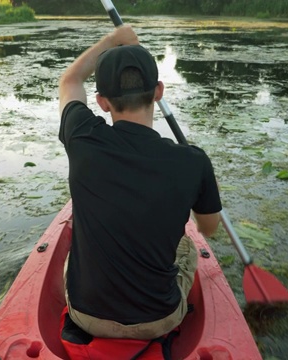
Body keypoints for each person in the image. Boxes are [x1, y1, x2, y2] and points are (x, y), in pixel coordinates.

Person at [58, 25, 222, 340]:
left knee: (71, 253)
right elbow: (209, 227)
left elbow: (70, 80)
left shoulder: (82, 137)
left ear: (102, 102)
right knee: (187, 246)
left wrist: (112, 40)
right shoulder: (194, 161)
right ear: (158, 92)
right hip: (159, 320)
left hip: (85, 315)